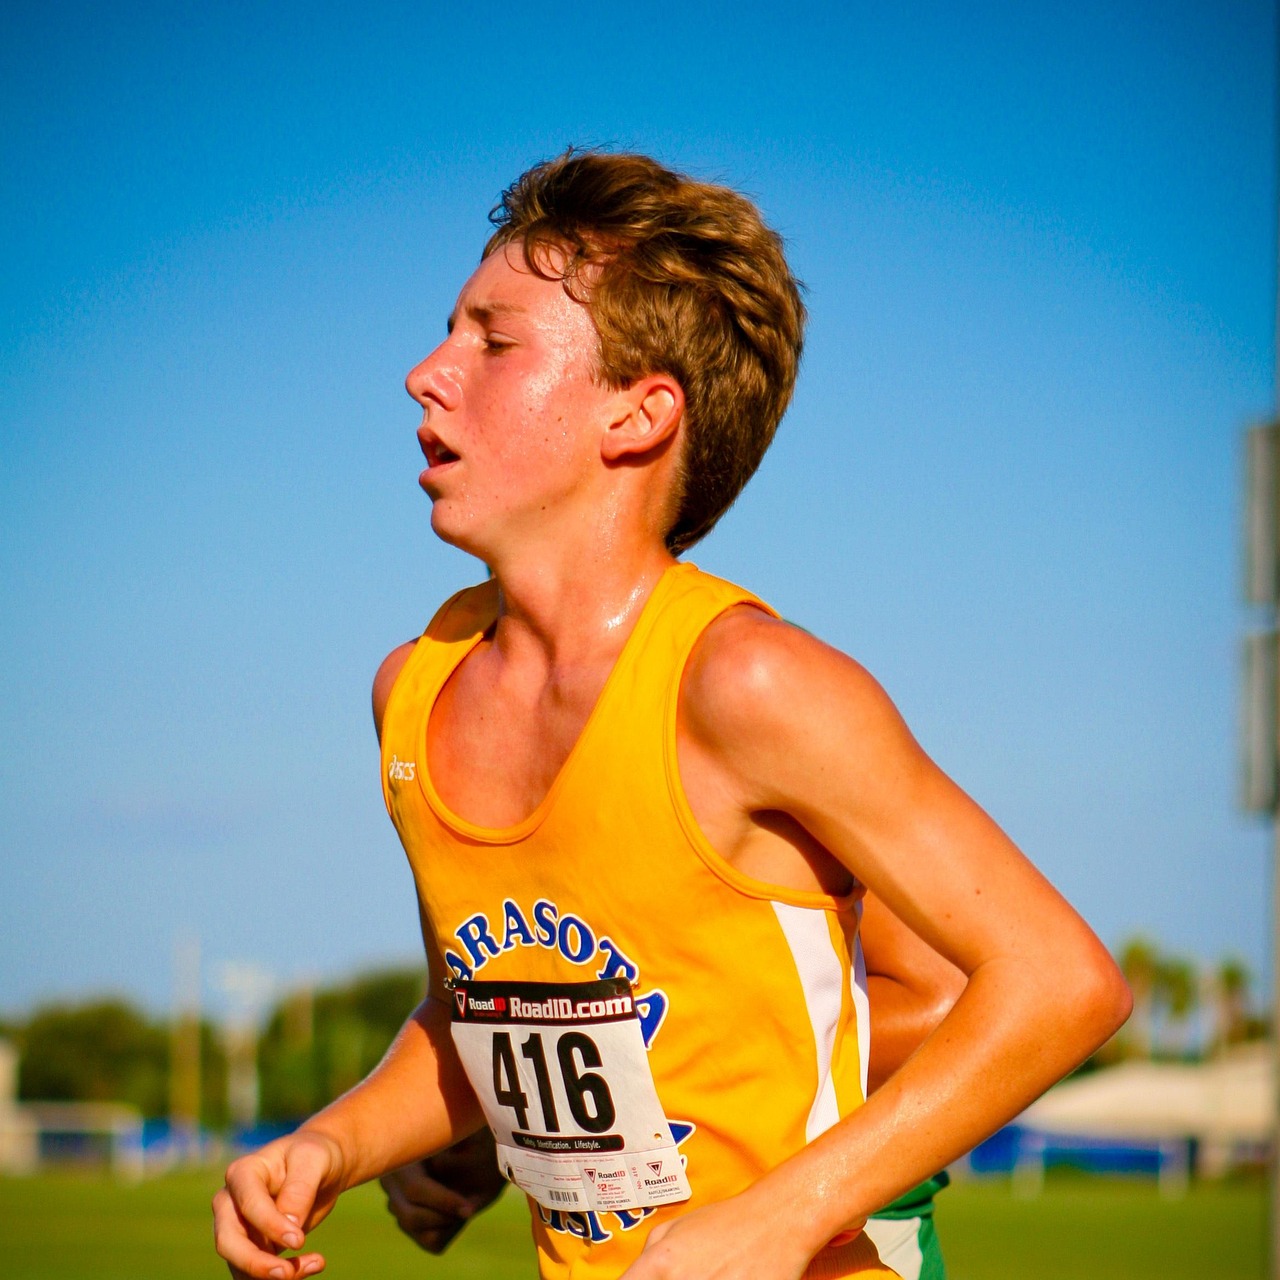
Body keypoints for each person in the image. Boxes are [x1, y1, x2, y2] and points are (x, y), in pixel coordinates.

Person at [212, 150, 1131, 1280]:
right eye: (446, 328)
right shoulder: (409, 690)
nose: (423, 372)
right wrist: (331, 1142)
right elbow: (480, 1011)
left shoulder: (747, 683)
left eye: (493, 341)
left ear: (639, 416)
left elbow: (1058, 981)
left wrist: (781, 1216)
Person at [380, 893, 964, 1279]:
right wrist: (494, 1111)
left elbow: (939, 1005)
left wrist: (628, 1072)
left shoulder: (747, 714)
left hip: (824, 1232)